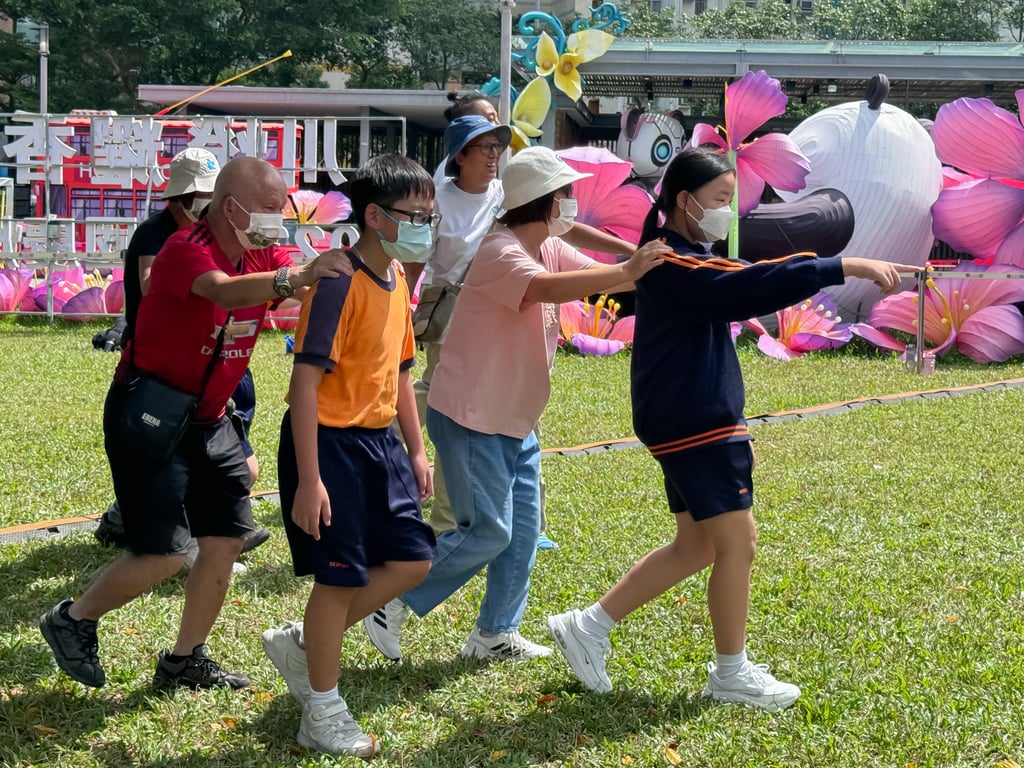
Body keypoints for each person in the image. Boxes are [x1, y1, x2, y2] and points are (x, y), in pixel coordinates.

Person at [545, 148, 917, 711]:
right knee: (738, 544)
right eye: (721, 201)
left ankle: (588, 626)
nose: (728, 213)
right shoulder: (671, 262)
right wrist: (847, 265)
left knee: (696, 546)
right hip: (696, 422)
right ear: (683, 201)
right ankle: (730, 673)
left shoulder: (683, 258)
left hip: (688, 418)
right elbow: (751, 285)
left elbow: (741, 278)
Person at [38, 157, 350, 691]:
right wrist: (294, 276)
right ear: (232, 208)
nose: (282, 220)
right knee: (164, 554)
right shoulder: (187, 250)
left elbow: (303, 277)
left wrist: (346, 271)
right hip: (150, 414)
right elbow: (227, 290)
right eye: (273, 209)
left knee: (227, 538)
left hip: (210, 418)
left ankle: (185, 660)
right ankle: (72, 619)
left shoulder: (265, 250)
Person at [363, 147, 672, 663]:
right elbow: (548, 288)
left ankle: (494, 633)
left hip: (514, 418)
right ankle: (388, 598)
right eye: (566, 194)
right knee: (488, 531)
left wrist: (641, 262)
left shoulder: (543, 244)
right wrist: (630, 267)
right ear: (545, 202)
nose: (572, 203)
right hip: (471, 416)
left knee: (523, 532)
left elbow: (601, 270)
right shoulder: (500, 251)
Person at [260, 154, 437, 759]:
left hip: (381, 441)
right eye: (416, 215)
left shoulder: (397, 284)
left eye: (429, 216)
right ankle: (322, 710)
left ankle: (305, 643)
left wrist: (416, 450)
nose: (425, 225)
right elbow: (303, 385)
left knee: (413, 561)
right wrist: (309, 480)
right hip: (329, 445)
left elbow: (403, 373)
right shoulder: (338, 281)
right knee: (339, 580)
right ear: (375, 216)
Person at [404, 115, 638, 546]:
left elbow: (564, 236)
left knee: (512, 409)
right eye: (485, 147)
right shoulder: (443, 204)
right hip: (455, 316)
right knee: (460, 419)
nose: (495, 154)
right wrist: (400, 304)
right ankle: (448, 523)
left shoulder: (508, 197)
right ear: (460, 156)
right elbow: (418, 261)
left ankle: (525, 522)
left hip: (508, 313)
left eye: (498, 146)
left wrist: (632, 259)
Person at [93, 148, 270, 558]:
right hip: (161, 373)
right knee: (165, 460)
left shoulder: (231, 241)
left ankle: (215, 538)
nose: (206, 205)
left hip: (215, 359)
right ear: (177, 199)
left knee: (231, 463)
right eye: (198, 197)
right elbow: (159, 283)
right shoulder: (161, 236)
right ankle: (170, 538)